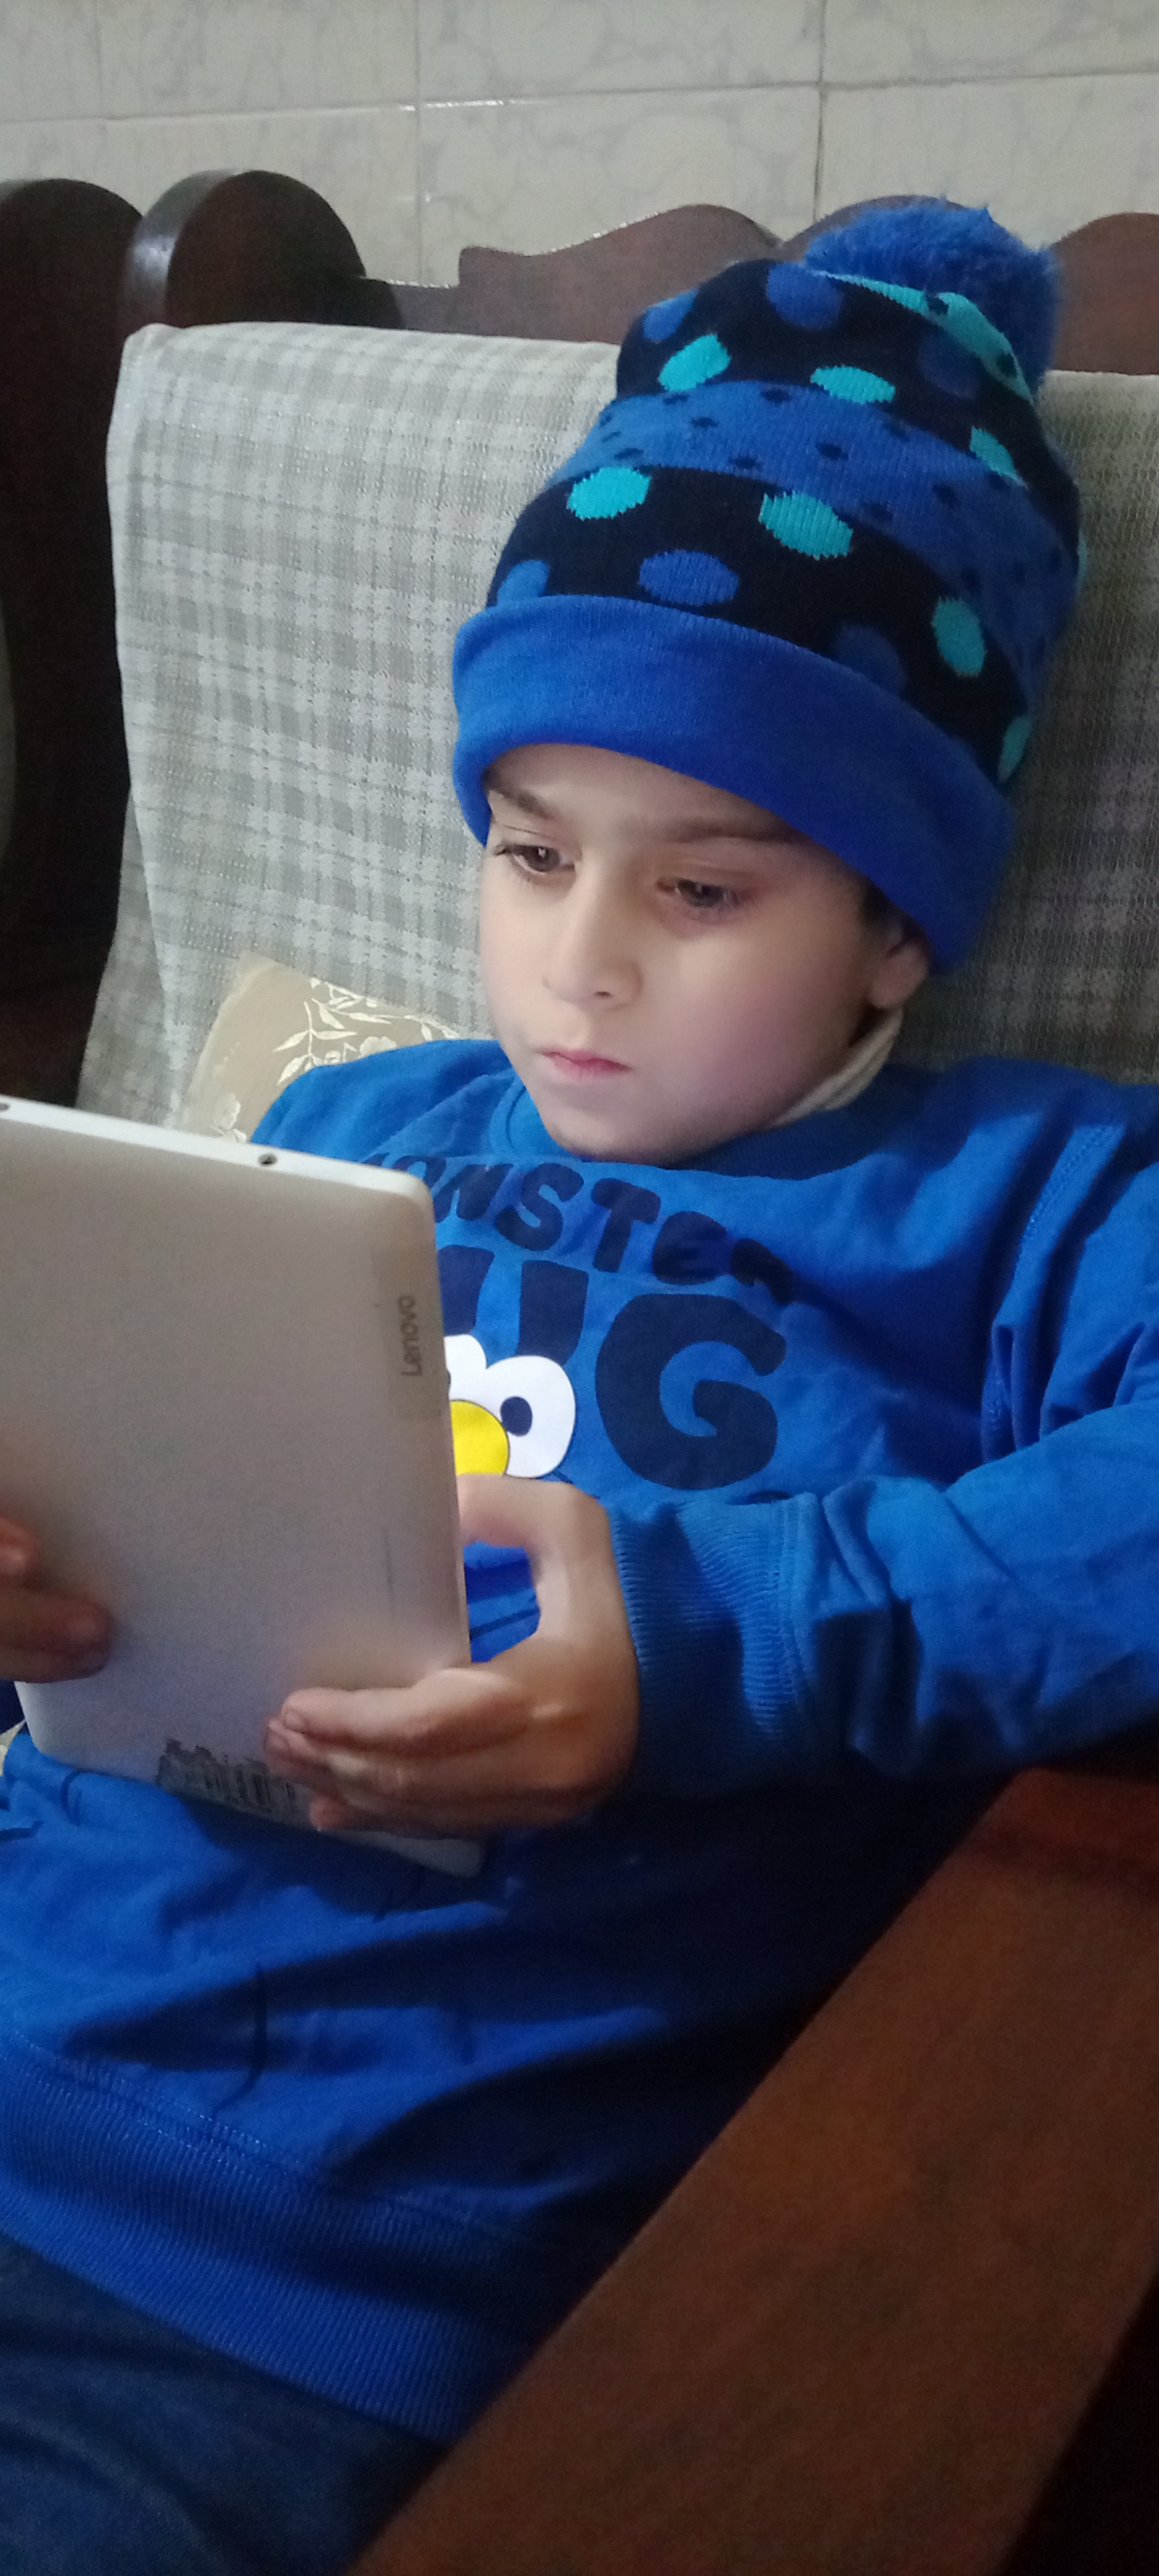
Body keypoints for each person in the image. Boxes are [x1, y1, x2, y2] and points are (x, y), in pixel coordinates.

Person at [2, 199, 1158, 2575]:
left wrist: (729, 1640)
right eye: (530, 854)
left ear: (897, 924)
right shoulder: (353, 1122)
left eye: (702, 891)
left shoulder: (1035, 1198)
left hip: (346, 2270)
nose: (580, 964)